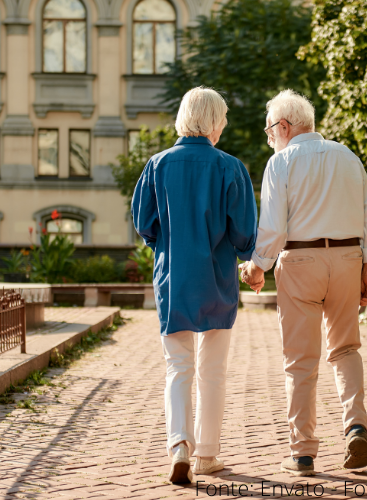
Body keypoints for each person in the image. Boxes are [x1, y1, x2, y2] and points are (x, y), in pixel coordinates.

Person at [240, 89, 367, 476]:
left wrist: (257, 267)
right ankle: (355, 425)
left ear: (284, 126)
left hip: (300, 260)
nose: (269, 139)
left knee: (300, 361)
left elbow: (272, 226)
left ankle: (302, 453)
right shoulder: (348, 157)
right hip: (348, 258)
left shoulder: (282, 162)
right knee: (346, 348)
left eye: (270, 131)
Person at [132, 87, 258, 484]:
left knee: (178, 366)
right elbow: (244, 234)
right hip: (216, 279)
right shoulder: (230, 167)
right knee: (213, 370)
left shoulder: (157, 165)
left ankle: (179, 446)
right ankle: (206, 453)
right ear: (215, 122)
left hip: (174, 278)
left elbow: (143, 222)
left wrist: (165, 244)